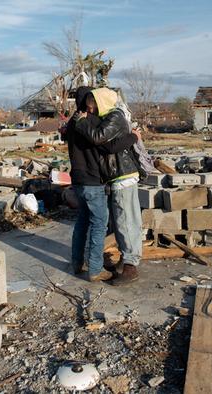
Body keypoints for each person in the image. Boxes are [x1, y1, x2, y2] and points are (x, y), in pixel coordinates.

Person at [63, 86, 137, 282]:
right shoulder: (91, 122)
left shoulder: (72, 124)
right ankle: (95, 269)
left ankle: (77, 263)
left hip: (76, 180)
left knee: (82, 221)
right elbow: (109, 145)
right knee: (99, 224)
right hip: (92, 180)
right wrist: (133, 137)